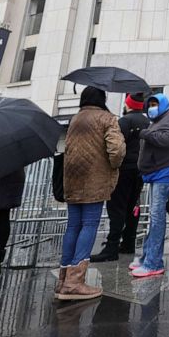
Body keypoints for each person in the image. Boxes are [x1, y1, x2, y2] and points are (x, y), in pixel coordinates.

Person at [56, 87, 126, 301]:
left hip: (72, 179)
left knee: (73, 226)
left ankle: (64, 279)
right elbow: (117, 150)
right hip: (94, 179)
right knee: (89, 224)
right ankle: (75, 283)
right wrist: (114, 166)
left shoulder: (76, 119)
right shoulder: (107, 118)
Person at [130, 93, 169, 278]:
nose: (151, 107)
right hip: (156, 172)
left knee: (157, 216)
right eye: (149, 104)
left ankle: (153, 262)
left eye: (155, 104)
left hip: (165, 171)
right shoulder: (156, 121)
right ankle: (147, 257)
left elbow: (168, 139)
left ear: (163, 105)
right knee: (154, 217)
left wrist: (146, 133)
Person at [92, 92, 150, 263]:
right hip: (139, 170)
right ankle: (129, 242)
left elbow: (115, 145)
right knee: (133, 207)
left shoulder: (124, 122)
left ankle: (111, 246)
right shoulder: (147, 122)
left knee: (116, 207)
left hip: (123, 170)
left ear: (128, 104)